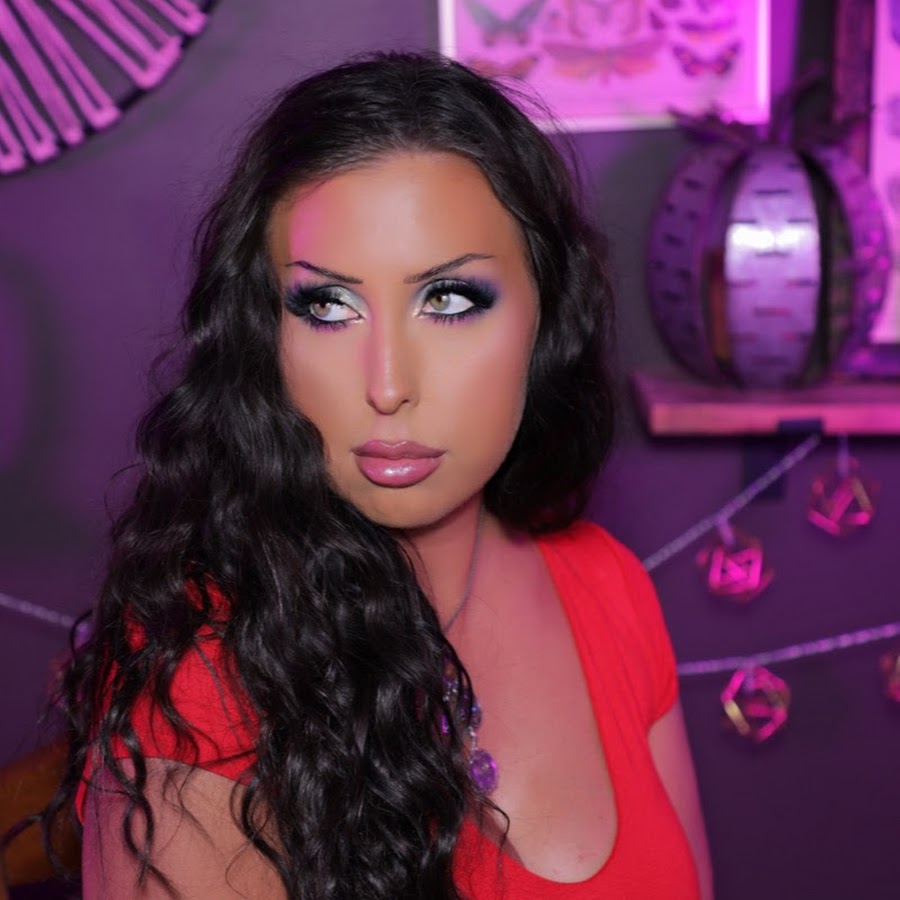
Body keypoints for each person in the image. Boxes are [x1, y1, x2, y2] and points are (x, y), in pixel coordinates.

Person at [46, 51, 713, 899]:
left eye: (450, 300)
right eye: (328, 306)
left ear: (545, 316)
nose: (388, 384)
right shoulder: (203, 677)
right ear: (263, 335)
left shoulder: (609, 587)